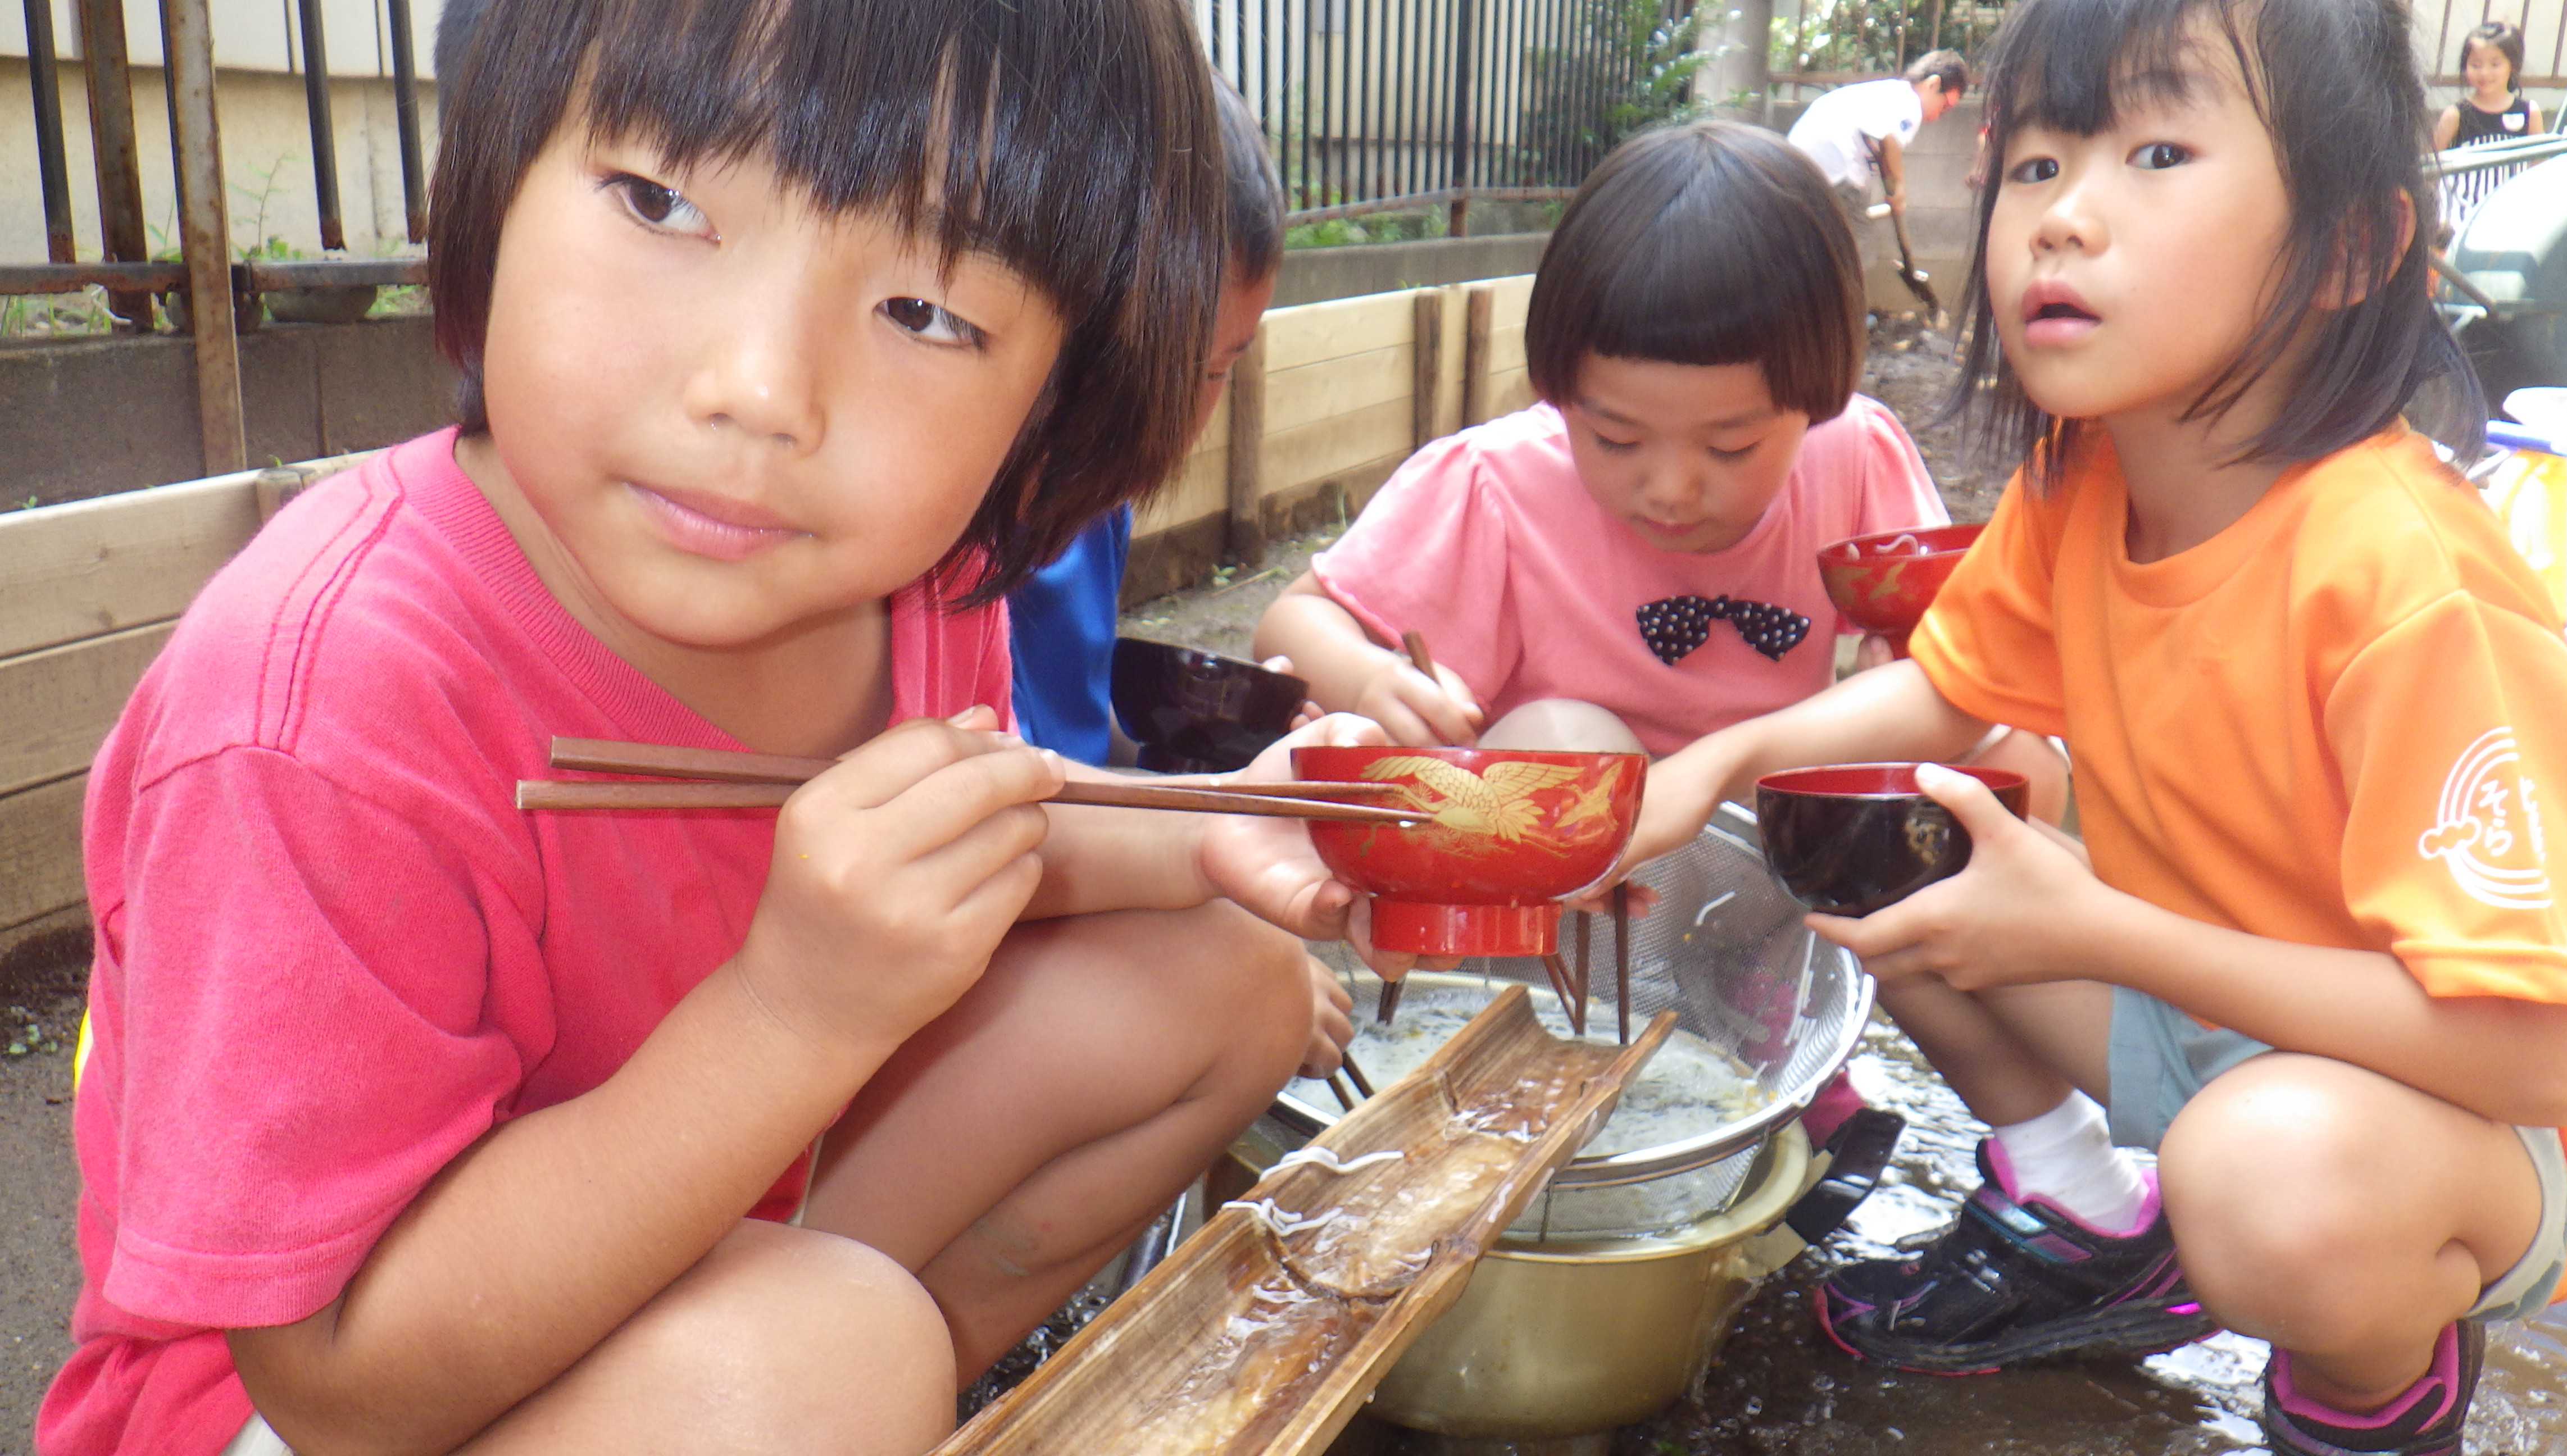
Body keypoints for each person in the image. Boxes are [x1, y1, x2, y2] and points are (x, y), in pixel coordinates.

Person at [36, 2, 1410, 1453]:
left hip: (714, 1220)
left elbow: (961, 836)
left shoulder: (920, 583)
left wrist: (1228, 825)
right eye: (660, 201)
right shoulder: (315, 709)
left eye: (928, 313)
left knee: (1230, 987)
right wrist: (792, 1012)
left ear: (1057, 394)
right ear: (491, 179)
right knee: (819, 1362)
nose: (758, 392)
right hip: (316, 1397)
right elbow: (335, 1381)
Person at [1624, 0, 2567, 1450]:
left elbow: (2538, 1055)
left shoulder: (2408, 582)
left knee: (2265, 1185)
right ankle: (2080, 1214)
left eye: (2153, 150)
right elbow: (1947, 691)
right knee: (1879, 840)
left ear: (2350, 250)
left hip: (2427, 1119)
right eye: (2035, 164)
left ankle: (2370, 1392)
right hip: (2191, 1020)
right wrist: (1713, 765)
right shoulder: (2082, 478)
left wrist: (2091, 930)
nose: (2063, 218)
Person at [1252, 121, 2062, 794]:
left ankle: (1860, 973)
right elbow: (1292, 620)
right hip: (1579, 853)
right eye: (1615, 439)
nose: (1672, 488)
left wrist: (1898, 672)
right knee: (1564, 740)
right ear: (1556, 388)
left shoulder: (1849, 453)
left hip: (1770, 809)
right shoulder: (1496, 484)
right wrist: (1365, 678)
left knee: (2024, 763)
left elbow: (1966, 666)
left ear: (1819, 400)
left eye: (1733, 445)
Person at [1007, 79, 1284, 762]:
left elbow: (1074, 745)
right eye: (1146, 368)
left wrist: (1232, 760)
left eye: (1217, 372)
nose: (1179, 426)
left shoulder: (1096, 510)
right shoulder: (919, 560)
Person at [1785, 50, 1970, 300]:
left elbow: (1881, 146)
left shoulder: (1889, 94)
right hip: (1832, 165)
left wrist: (1891, 191)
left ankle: (1818, 313)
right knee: (1857, 249)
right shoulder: (1909, 104)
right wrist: (1899, 189)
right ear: (1932, 84)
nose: (1940, 115)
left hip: (1801, 162)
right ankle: (1846, 319)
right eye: (1945, 105)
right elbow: (1889, 140)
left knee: (1822, 245)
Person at [2432, 20, 2545, 239]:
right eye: (2476, 65)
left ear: (2513, 65)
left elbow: (2538, 168)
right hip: (2462, 220)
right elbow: (2431, 164)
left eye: (2495, 64)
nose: (2485, 73)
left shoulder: (2529, 113)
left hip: (2511, 216)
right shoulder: (2456, 115)